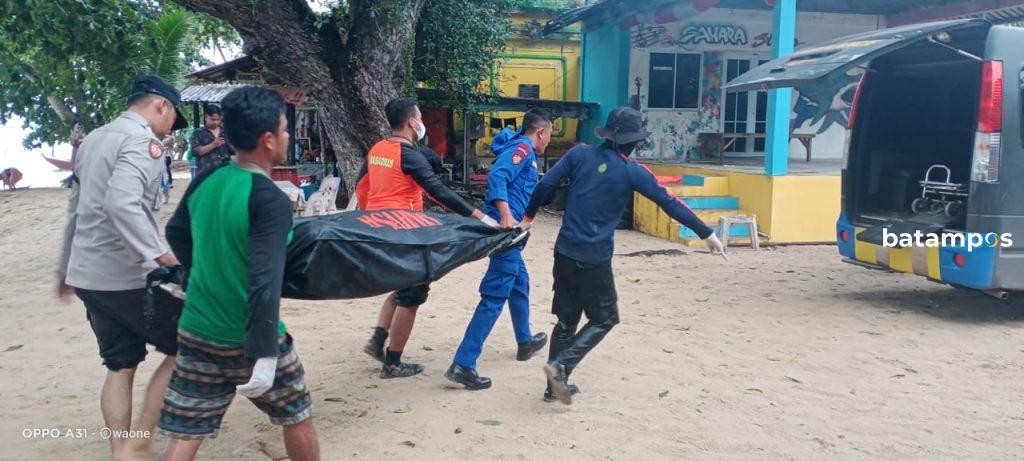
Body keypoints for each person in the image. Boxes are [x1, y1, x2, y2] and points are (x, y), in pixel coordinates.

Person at [520, 107, 726, 405]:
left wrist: (528, 218)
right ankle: (560, 367)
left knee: (566, 321)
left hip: (564, 251)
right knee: (605, 318)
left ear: (607, 134)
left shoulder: (578, 154)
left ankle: (554, 387)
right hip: (594, 258)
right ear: (634, 141)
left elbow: (544, 185)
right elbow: (669, 203)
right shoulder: (633, 171)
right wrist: (706, 233)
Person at [159, 86, 320, 460]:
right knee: (297, 414)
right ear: (268, 140)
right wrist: (264, 352)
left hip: (197, 328)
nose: (286, 137)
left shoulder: (207, 179)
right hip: (248, 335)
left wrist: (203, 273)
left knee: (188, 430)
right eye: (284, 130)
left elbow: (176, 232)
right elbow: (265, 278)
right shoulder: (269, 199)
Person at [56, 74, 188, 459]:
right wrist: (160, 256)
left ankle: (121, 451)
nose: (169, 130)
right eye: (172, 119)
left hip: (87, 275)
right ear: (161, 105)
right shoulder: (143, 143)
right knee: (191, 343)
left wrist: (64, 268)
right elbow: (122, 204)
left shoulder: (93, 139)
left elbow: (75, 208)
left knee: (120, 364)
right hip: (125, 276)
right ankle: (140, 441)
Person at [355, 97, 496, 379]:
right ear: (411, 122)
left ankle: (378, 339)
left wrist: (368, 216)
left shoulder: (377, 149)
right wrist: (479, 216)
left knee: (400, 286)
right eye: (419, 117)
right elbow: (437, 191)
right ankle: (392, 363)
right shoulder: (409, 155)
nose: (421, 122)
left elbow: (362, 185)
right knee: (412, 296)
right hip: (405, 232)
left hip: (378, 228)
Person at [445, 109, 553, 390]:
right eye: (550, 134)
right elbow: (498, 176)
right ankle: (463, 363)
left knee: (520, 282)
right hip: (506, 234)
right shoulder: (522, 149)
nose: (549, 140)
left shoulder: (522, 149)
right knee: (494, 295)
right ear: (541, 132)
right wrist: (505, 214)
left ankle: (525, 341)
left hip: (513, 237)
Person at [190, 104, 233, 174]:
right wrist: (213, 145)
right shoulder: (198, 132)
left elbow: (233, 151)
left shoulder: (225, 131)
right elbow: (195, 151)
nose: (215, 122)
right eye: (213, 119)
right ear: (206, 117)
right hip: (206, 172)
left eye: (218, 120)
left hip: (224, 171)